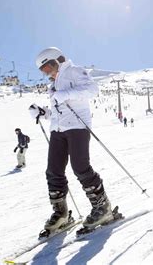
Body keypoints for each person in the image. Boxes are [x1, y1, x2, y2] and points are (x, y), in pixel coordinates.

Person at [29, 47, 115, 233]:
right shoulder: (53, 84)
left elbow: (92, 90)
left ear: (58, 60)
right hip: (57, 130)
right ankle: (61, 213)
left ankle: (103, 207)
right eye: (44, 71)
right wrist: (43, 113)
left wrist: (66, 94)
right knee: (53, 171)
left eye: (49, 67)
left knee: (80, 167)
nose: (48, 72)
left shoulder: (75, 71)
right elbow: (59, 110)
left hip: (77, 126)